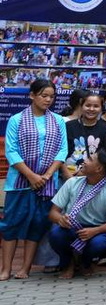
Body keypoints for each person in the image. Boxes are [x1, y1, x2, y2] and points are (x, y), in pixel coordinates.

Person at [1, 79, 68, 280]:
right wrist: (31, 175)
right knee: (11, 224)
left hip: (47, 183)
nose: (48, 99)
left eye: (51, 96)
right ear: (32, 95)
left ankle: (25, 269)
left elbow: (62, 149)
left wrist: (47, 176)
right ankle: (6, 269)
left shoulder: (58, 120)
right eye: (43, 95)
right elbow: (11, 151)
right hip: (19, 183)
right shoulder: (17, 119)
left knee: (37, 223)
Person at [47, 149, 106, 279]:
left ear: (99, 169)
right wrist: (61, 219)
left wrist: (95, 231)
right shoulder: (72, 183)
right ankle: (68, 263)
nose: (84, 161)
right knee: (56, 234)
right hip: (70, 226)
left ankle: (85, 263)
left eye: (90, 159)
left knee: (99, 243)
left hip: (95, 229)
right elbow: (53, 213)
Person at [64, 91, 106, 179]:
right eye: (88, 105)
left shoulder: (105, 129)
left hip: (93, 178)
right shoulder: (68, 126)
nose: (91, 109)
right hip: (68, 176)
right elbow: (60, 152)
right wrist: (66, 174)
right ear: (81, 106)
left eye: (96, 106)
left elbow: (105, 158)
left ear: (101, 108)